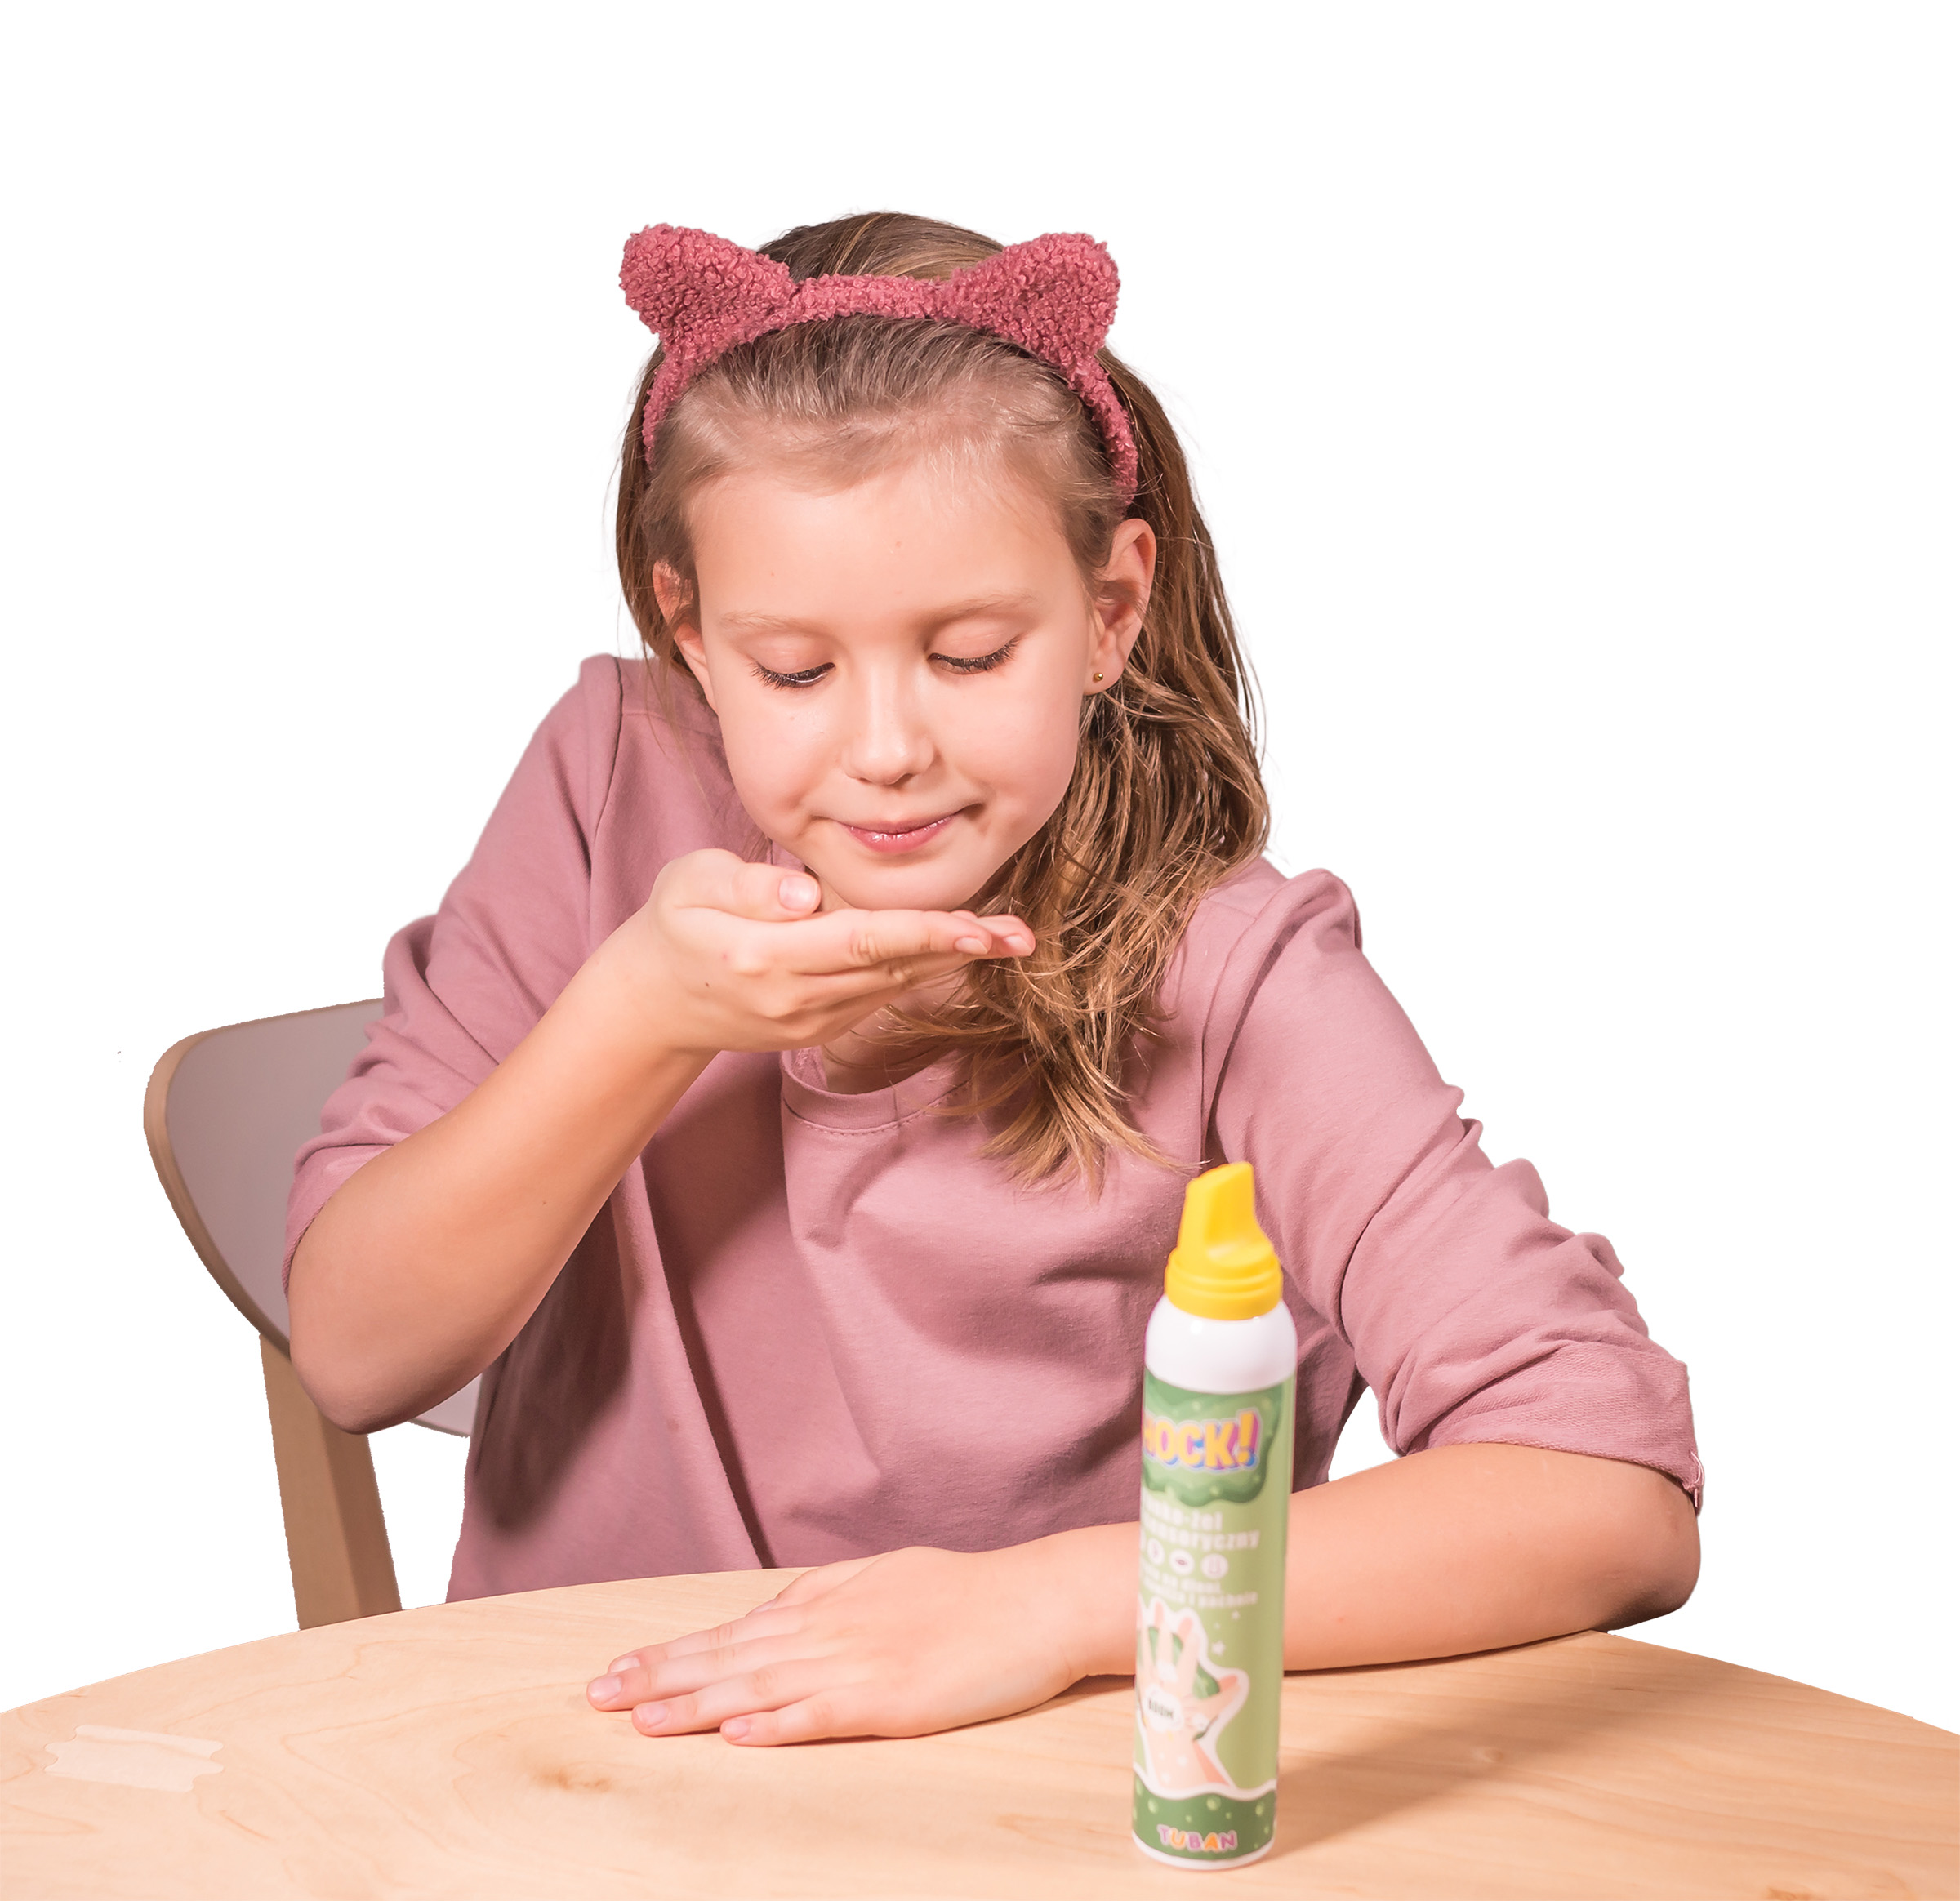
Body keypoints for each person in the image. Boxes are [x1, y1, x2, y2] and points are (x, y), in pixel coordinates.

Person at [285, 211, 1702, 1750]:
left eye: (967, 655)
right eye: (795, 670)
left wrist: (1055, 1605)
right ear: (688, 625)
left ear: (1110, 612)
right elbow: (359, 1355)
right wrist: (639, 1016)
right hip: (570, 1770)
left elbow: (1608, 1492)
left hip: (1026, 1801)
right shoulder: (605, 786)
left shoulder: (1233, 971)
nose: (888, 747)